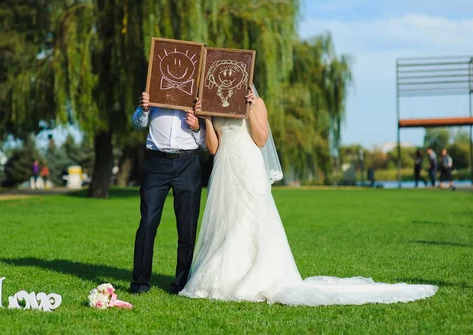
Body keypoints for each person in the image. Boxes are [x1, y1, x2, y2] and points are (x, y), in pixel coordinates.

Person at [179, 85, 438, 306]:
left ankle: (251, 277)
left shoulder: (256, 102)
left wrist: (249, 109)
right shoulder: (212, 106)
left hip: (249, 166)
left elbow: (260, 139)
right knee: (226, 222)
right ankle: (225, 277)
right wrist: (207, 119)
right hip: (225, 167)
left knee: (249, 220)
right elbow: (213, 148)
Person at [130, 91, 205, 294]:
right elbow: (137, 123)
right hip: (156, 163)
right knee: (147, 222)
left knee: (187, 227)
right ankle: (140, 283)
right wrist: (144, 109)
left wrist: (197, 127)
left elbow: (207, 142)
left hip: (188, 163)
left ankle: (181, 284)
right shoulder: (156, 86)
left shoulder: (198, 94)